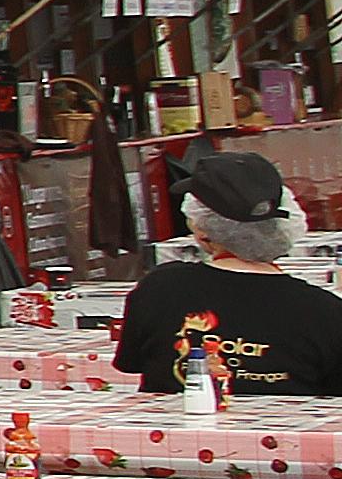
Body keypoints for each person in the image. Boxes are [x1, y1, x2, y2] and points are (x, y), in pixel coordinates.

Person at [116, 146, 342, 394]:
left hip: (174, 431)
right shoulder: (326, 311)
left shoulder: (159, 287)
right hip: (284, 433)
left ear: (202, 230)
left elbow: (131, 364)